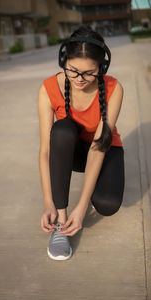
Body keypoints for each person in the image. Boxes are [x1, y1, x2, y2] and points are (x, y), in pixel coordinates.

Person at [37, 25, 125, 260]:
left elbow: (99, 147)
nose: (79, 79)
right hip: (71, 148)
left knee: (107, 204)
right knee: (62, 130)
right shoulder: (48, 88)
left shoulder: (113, 89)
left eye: (89, 73)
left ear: (101, 68)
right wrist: (50, 204)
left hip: (103, 147)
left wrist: (83, 205)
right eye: (73, 71)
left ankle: (94, 190)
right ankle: (61, 224)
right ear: (64, 61)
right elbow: (46, 151)